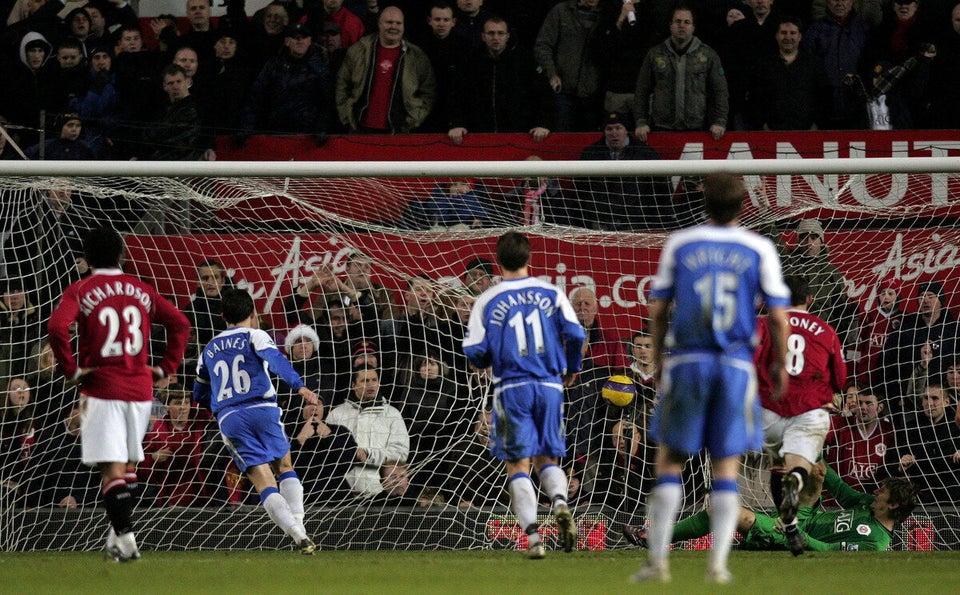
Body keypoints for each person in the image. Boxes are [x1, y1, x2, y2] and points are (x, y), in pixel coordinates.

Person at [636, 173, 790, 583]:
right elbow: (777, 316)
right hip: (736, 366)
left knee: (669, 460)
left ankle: (657, 563)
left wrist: (659, 357)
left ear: (703, 202)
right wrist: (778, 366)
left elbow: (657, 310)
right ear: (744, 204)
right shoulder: (759, 247)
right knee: (726, 467)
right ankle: (718, 566)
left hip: (688, 361)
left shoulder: (682, 243)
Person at [46, 226, 190, 562]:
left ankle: (127, 542)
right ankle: (115, 538)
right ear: (121, 255)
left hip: (103, 388)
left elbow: (55, 327)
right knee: (127, 468)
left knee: (110, 471)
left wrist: (71, 370)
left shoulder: (82, 288)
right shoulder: (142, 289)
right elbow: (181, 323)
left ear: (87, 258)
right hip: (141, 391)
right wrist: (166, 368)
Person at [462, 231, 586, 559]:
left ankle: (533, 538)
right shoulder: (550, 291)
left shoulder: (488, 299)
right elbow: (575, 332)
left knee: (518, 464)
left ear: (498, 262)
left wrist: (491, 355)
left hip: (511, 387)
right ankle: (560, 502)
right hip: (549, 384)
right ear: (529, 258)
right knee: (548, 458)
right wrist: (571, 365)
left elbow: (474, 350)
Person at [192, 288, 320, 553]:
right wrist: (300, 386)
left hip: (231, 417)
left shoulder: (209, 349)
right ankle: (301, 528)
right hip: (262, 408)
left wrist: (219, 408)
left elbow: (198, 393)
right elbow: (276, 361)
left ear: (222, 316)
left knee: (263, 481)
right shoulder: (256, 335)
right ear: (252, 313)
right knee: (284, 466)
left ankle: (296, 534)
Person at [624, 460, 921, 552]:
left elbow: (829, 551)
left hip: (798, 534)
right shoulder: (868, 504)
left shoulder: (876, 544)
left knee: (723, 510)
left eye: (882, 493)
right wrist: (816, 460)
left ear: (893, 505)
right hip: (805, 515)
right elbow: (839, 488)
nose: (876, 492)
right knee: (813, 469)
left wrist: (795, 535)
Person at [754, 274, 847, 555]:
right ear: (810, 299)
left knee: (777, 463)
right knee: (798, 466)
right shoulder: (826, 331)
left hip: (771, 406)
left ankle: (789, 522)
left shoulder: (764, 323)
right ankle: (796, 480)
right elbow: (840, 380)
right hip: (810, 408)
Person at [447, 15, 552, 145]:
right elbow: (457, 96)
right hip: (477, 136)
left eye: (500, 33)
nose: (496, 37)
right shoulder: (470, 62)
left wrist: (542, 124)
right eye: (491, 33)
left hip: (519, 135)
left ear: (507, 36)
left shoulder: (524, 61)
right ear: (483, 36)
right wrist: (457, 123)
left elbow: (543, 95)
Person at [632, 5, 729, 142]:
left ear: (693, 27)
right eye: (677, 21)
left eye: (686, 22)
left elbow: (720, 91)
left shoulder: (708, 55)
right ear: (670, 25)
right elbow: (642, 90)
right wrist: (641, 121)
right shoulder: (655, 54)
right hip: (661, 127)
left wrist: (719, 121)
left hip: (697, 127)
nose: (682, 25)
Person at [335, 6, 436, 133]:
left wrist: (414, 119)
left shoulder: (417, 56)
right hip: (360, 129)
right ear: (379, 24)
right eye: (389, 22)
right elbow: (342, 84)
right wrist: (346, 116)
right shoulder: (358, 50)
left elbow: (428, 91)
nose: (394, 26)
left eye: (398, 23)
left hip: (399, 131)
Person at [576, 112, 673, 231]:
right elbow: (581, 189)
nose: (614, 133)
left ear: (626, 130)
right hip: (600, 222)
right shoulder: (590, 153)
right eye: (609, 129)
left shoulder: (645, 153)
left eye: (618, 128)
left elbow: (661, 189)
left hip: (637, 222)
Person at [324, 365, 410, 497]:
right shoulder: (336, 414)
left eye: (374, 380)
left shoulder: (392, 414)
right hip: (341, 491)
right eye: (365, 381)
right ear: (353, 385)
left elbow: (400, 454)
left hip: (378, 491)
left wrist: (369, 454)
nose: (370, 384)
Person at [239, 23, 333, 140]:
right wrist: (246, 127)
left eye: (304, 37)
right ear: (287, 41)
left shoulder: (320, 68)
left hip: (307, 135)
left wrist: (321, 128)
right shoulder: (273, 66)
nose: (300, 41)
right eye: (295, 37)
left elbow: (327, 102)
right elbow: (255, 97)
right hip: (275, 131)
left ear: (310, 41)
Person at [880, 280, 959, 408]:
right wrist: (895, 396)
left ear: (941, 301)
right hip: (909, 401)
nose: (926, 300)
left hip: (944, 402)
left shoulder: (954, 330)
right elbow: (887, 362)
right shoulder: (905, 329)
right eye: (922, 296)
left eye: (931, 296)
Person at [749, 16, 830, 131]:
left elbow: (824, 98)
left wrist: (817, 124)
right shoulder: (764, 65)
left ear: (800, 36)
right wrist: (762, 125)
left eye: (792, 33)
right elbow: (754, 98)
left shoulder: (814, 64)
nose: (788, 37)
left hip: (808, 133)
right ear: (776, 36)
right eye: (783, 33)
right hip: (771, 134)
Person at [884, 383, 960, 505]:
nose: (929, 403)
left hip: (954, 501)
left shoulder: (957, 428)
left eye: (934, 398)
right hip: (919, 502)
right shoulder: (909, 429)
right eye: (925, 398)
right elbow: (889, 465)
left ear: (947, 402)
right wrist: (900, 465)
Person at [533, 0, 603, 132]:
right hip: (563, 90)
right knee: (562, 137)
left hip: (594, 92)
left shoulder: (607, 14)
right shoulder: (561, 11)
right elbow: (543, 46)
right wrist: (552, 74)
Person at [802, 0, 872, 129]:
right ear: (827, 3)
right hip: (824, 104)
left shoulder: (865, 29)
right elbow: (807, 67)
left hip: (856, 104)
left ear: (852, 2)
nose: (839, 4)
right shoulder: (815, 30)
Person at [141, 387, 209, 507]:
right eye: (178, 403)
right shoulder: (157, 433)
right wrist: (154, 458)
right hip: (172, 499)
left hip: (206, 495)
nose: (183, 408)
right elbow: (143, 471)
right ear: (167, 407)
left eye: (186, 402)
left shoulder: (201, 421)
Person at [823, 386, 895, 497]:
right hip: (836, 502)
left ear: (880, 408)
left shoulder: (889, 431)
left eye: (869, 403)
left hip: (872, 502)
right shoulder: (839, 425)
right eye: (860, 403)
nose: (863, 407)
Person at [852, 277, 903, 389]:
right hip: (865, 379)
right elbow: (856, 348)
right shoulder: (868, 318)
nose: (886, 296)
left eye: (890, 293)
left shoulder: (904, 319)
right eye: (883, 293)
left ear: (897, 297)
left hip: (891, 380)